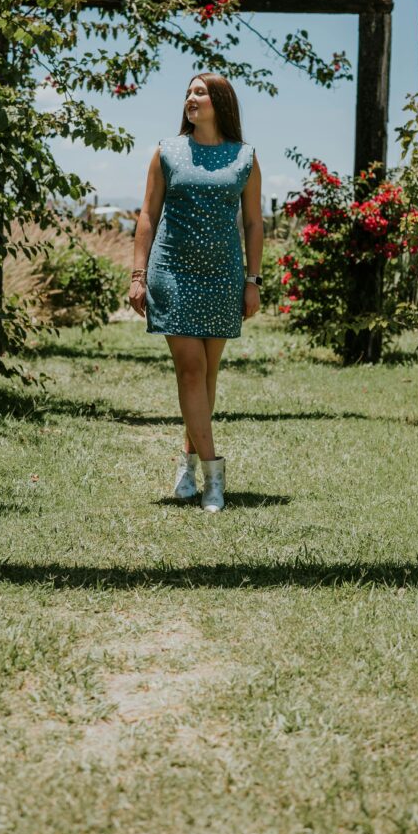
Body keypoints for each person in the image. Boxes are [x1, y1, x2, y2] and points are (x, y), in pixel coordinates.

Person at [129, 72, 263, 512]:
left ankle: (186, 465)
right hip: (173, 273)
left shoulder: (244, 157)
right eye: (188, 92)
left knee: (207, 375)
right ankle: (214, 475)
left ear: (220, 102)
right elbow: (148, 215)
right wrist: (138, 274)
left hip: (223, 278)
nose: (191, 98)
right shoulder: (167, 152)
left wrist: (253, 281)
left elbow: (253, 223)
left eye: (200, 92)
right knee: (190, 370)